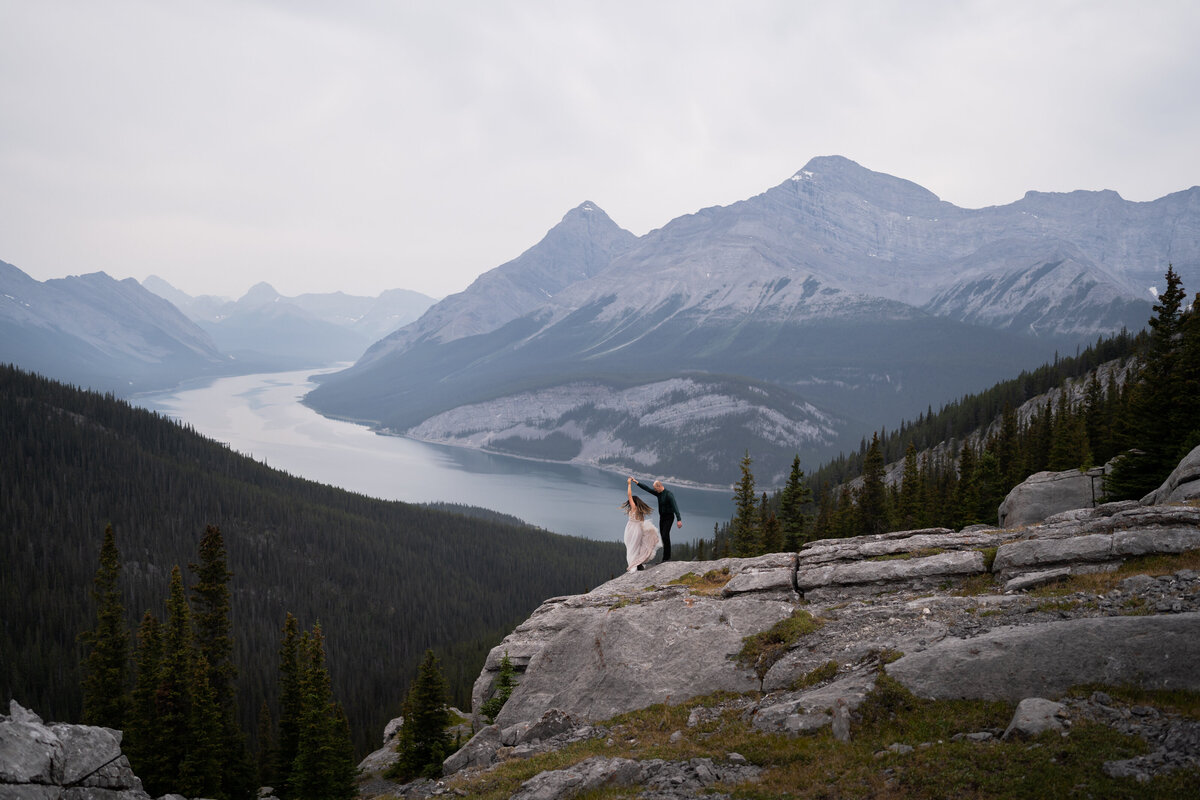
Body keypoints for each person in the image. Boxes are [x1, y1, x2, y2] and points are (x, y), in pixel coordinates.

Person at [631, 477, 683, 561]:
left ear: (659, 486)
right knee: (663, 536)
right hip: (662, 517)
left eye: (655, 488)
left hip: (669, 517)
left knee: (666, 535)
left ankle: (667, 557)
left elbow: (675, 506)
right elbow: (647, 489)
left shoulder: (669, 494)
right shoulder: (658, 493)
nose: (655, 490)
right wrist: (637, 482)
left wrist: (679, 519)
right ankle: (665, 557)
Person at [622, 477, 661, 572]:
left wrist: (629, 484)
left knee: (631, 548)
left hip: (631, 530)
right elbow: (641, 523)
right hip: (638, 529)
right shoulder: (640, 511)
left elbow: (629, 495)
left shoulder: (634, 508)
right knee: (637, 548)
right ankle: (638, 564)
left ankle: (633, 567)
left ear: (633, 503)